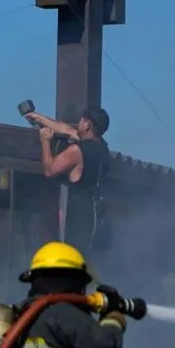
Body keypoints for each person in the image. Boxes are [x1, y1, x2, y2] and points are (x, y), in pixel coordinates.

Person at [11, 241, 128, 348]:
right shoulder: (61, 312)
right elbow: (105, 346)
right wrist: (113, 318)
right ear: (74, 280)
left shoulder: (25, 312)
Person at [25, 107, 112, 255]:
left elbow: (50, 170)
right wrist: (40, 119)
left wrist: (45, 141)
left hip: (77, 218)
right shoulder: (103, 148)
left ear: (87, 125)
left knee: (72, 257)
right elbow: (66, 130)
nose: (78, 124)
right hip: (94, 214)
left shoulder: (76, 151)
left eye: (81, 120)